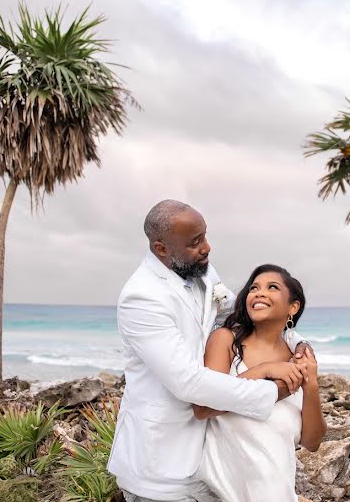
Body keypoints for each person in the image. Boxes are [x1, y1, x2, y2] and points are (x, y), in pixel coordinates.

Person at [108, 200, 313, 502]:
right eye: (195, 242)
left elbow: (242, 313)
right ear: (161, 248)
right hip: (160, 464)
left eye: (204, 236)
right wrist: (271, 384)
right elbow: (188, 383)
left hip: (210, 460)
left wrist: (297, 343)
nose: (207, 247)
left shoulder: (202, 272)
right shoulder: (141, 297)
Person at [194, 264, 326, 502]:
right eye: (254, 288)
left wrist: (311, 385)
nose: (259, 293)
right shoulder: (226, 340)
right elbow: (204, 406)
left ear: (292, 307)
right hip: (221, 493)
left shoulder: (298, 359)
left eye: (272, 287)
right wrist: (263, 370)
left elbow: (312, 442)